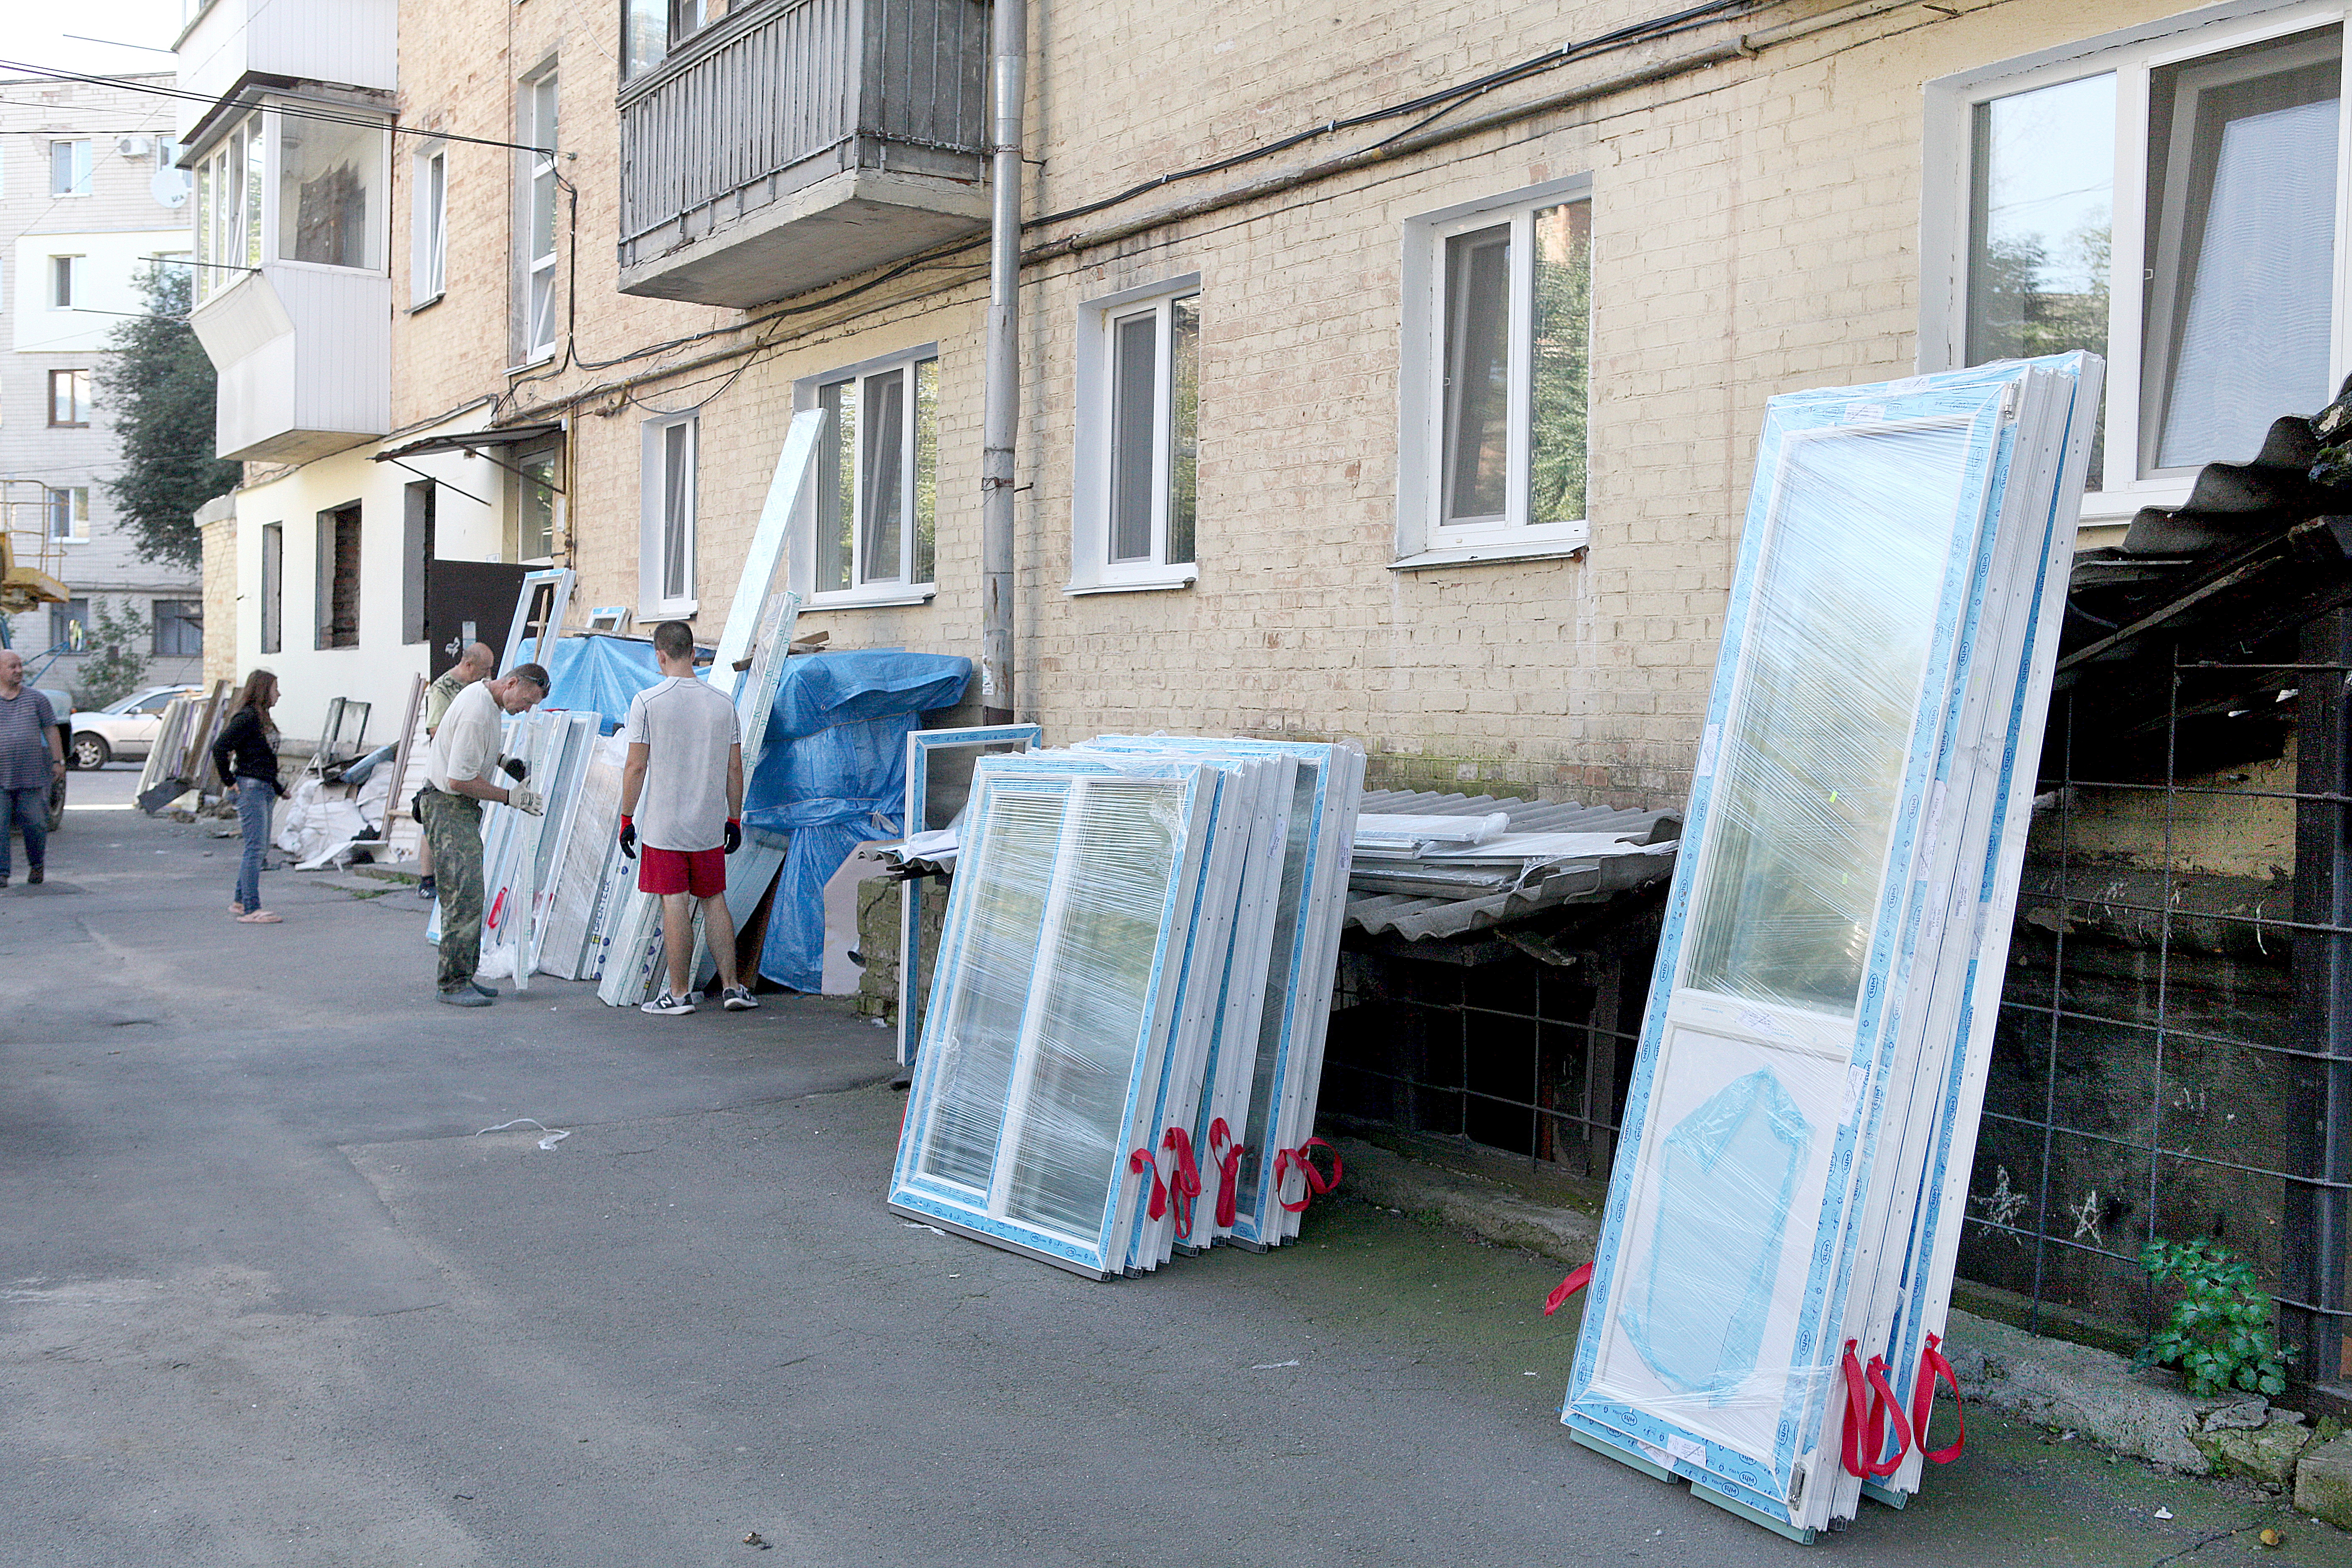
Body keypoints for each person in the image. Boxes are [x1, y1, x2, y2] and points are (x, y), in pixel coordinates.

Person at [619, 620, 754, 1015]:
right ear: (694, 653)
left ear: (660, 656)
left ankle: (679, 995)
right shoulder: (723, 703)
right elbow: (734, 769)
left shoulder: (647, 702)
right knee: (714, 900)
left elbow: (635, 768)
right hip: (709, 825)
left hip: (664, 827)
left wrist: (627, 818)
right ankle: (732, 987)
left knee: (674, 901)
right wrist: (734, 819)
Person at [418, 663, 549, 1006]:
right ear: (512, 683)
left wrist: (504, 762)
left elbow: (475, 749)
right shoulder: (479, 710)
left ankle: (462, 975)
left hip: (454, 807)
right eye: (526, 700)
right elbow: (459, 779)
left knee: (470, 892)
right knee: (464, 893)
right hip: (448, 805)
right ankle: (451, 984)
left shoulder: (487, 699)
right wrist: (511, 797)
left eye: (533, 705)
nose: (526, 709)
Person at [415, 642, 496, 902]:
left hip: (468, 760)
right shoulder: (442, 689)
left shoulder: (476, 688)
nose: (488, 675)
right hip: (444, 764)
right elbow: (436, 730)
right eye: (484, 669)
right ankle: (427, 879)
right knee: (434, 822)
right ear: (469, 665)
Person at [210, 669, 287, 924]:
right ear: (264, 691)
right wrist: (229, 781)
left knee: (260, 847)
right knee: (255, 849)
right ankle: (251, 909)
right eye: (275, 689)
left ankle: (240, 901)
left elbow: (262, 760)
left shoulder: (262, 719)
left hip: (263, 786)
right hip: (251, 789)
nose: (279, 694)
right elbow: (220, 747)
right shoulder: (247, 718)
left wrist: (278, 788)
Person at [0, 647, 64, 890]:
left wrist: (58, 762)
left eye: (20, 666)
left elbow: (51, 729)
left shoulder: (36, 699)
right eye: (12, 667)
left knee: (36, 823)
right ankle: (2, 873)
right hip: (1, 775)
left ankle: (37, 865)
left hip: (32, 775)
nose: (19, 671)